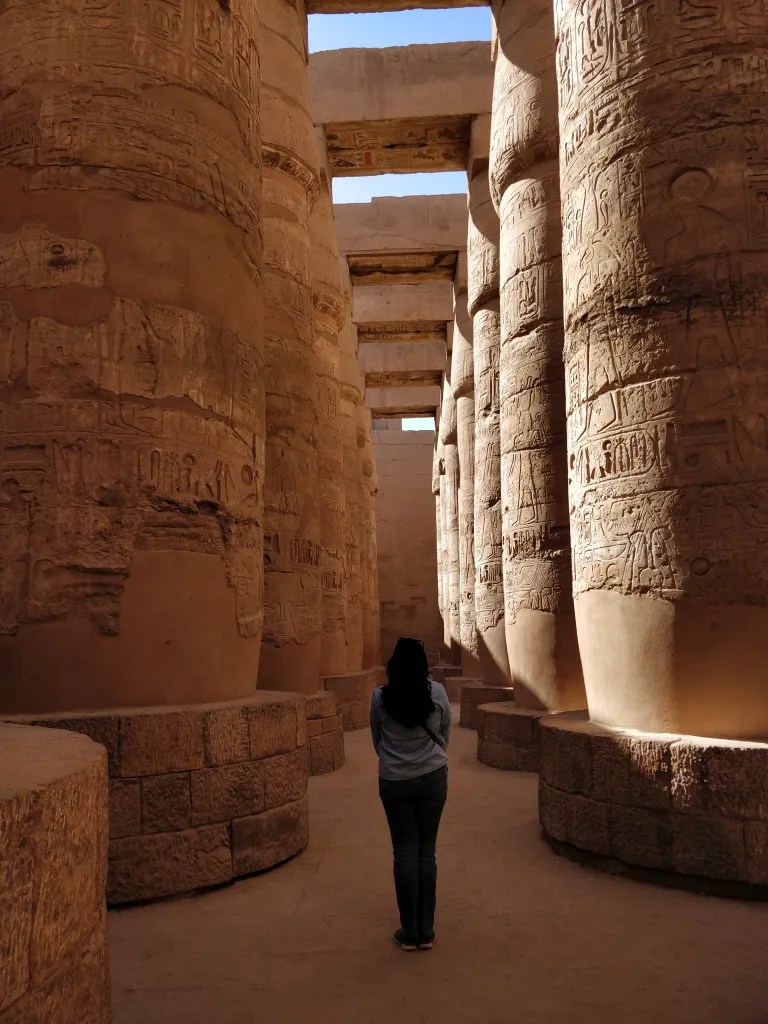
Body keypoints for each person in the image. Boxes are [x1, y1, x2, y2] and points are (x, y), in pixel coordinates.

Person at [370, 636, 451, 952]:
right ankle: (426, 930)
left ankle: (410, 930)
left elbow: (377, 739)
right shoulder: (437, 692)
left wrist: (395, 760)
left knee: (404, 851)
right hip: (432, 776)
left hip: (395, 780)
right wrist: (431, 757)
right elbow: (445, 732)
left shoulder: (380, 697)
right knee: (426, 851)